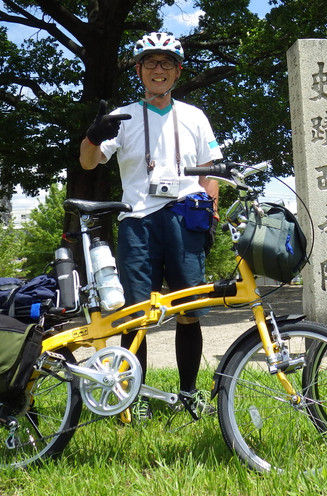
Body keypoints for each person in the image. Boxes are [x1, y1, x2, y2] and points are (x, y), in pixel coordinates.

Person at [79, 31, 221, 420]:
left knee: (189, 309)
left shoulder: (194, 116)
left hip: (185, 217)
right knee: (136, 313)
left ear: (178, 71)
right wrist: (93, 135)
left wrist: (210, 209)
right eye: (151, 64)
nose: (159, 70)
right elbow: (88, 162)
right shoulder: (122, 117)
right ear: (139, 70)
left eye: (167, 64)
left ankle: (189, 395)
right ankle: (132, 398)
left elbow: (210, 173)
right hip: (137, 222)